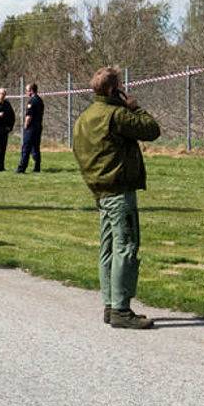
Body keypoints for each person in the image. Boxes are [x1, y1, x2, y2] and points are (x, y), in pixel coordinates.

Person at [70, 66, 160, 329]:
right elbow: (152, 129)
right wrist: (134, 106)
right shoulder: (117, 115)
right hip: (119, 190)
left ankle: (110, 305)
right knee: (126, 246)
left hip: (100, 190)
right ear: (113, 90)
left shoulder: (85, 117)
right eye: (120, 85)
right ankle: (122, 309)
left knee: (107, 248)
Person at [18, 81, 46, 173]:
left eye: (26, 90)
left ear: (31, 91)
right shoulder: (40, 100)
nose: (26, 92)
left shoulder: (32, 101)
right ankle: (37, 167)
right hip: (38, 127)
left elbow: (29, 116)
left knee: (26, 148)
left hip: (31, 128)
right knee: (35, 148)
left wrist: (25, 125)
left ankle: (21, 168)